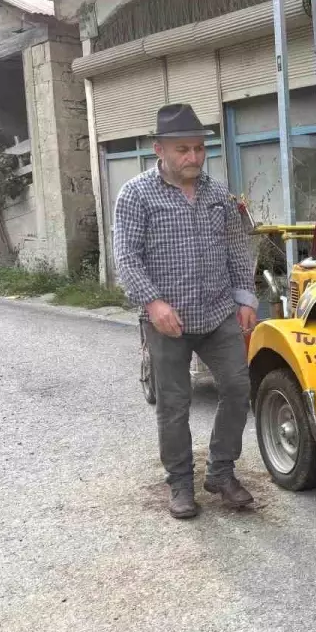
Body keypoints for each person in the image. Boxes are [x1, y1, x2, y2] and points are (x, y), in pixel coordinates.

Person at [113, 104, 258, 519]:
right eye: (182, 150)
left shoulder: (218, 194)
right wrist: (153, 302)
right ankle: (179, 482)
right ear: (159, 149)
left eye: (198, 148)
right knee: (174, 405)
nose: (193, 157)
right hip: (167, 321)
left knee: (236, 388)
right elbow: (127, 256)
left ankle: (221, 472)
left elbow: (235, 248)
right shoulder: (136, 195)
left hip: (217, 314)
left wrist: (245, 298)